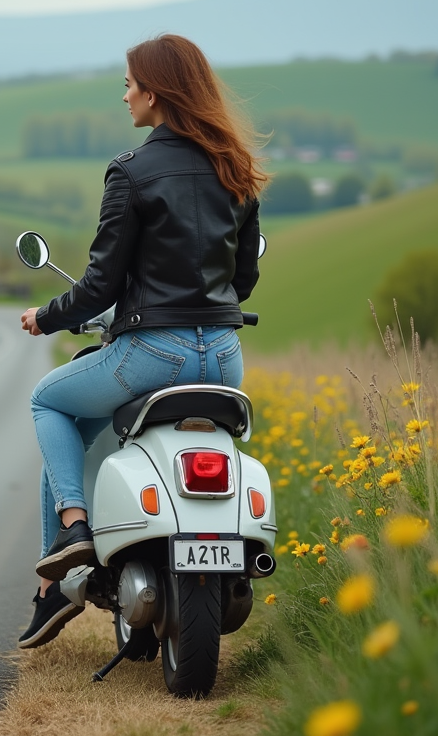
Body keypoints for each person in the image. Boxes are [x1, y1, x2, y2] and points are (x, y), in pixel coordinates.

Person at [16, 34, 267, 649]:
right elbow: (244, 280)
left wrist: (46, 318)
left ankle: (73, 531)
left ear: (154, 92)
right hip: (225, 357)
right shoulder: (234, 165)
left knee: (50, 402)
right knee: (74, 419)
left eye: (129, 83)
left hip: (153, 354)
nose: (124, 94)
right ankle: (58, 586)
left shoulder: (130, 171)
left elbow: (100, 284)